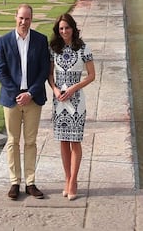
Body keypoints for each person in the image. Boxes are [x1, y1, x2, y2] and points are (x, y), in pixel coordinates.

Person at [0, 3, 50, 200]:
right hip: (12, 99)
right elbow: (0, 71)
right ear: (15, 18)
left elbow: (44, 70)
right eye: (21, 18)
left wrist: (30, 93)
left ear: (31, 20)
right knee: (12, 141)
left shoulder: (41, 40)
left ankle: (31, 182)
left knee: (31, 142)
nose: (23, 22)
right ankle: (14, 182)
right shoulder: (3, 41)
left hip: (33, 99)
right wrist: (17, 93)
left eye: (27, 19)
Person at [48, 12, 95, 200]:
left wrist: (75, 88)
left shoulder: (83, 48)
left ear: (73, 28)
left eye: (67, 27)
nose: (64, 31)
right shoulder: (54, 48)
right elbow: (50, 75)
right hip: (59, 101)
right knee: (63, 141)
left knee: (75, 141)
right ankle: (66, 178)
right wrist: (55, 90)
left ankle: (73, 180)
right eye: (61, 28)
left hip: (76, 102)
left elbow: (92, 75)